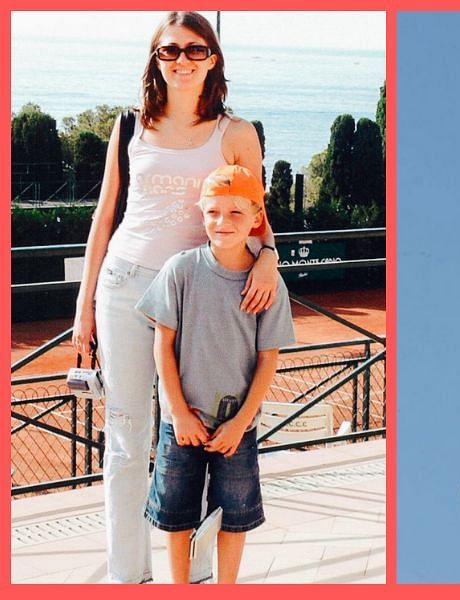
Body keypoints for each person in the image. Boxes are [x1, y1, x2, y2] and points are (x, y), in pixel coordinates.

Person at [69, 12, 280, 583]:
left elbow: (255, 218)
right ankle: (127, 576)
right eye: (169, 51)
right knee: (127, 438)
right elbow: (104, 217)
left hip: (201, 294)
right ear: (154, 59)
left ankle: (198, 578)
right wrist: (83, 306)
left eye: (194, 49)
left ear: (213, 59)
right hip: (125, 286)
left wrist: (269, 257)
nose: (182, 60)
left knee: (203, 438)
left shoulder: (235, 134)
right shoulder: (129, 127)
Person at [136, 165, 296, 583]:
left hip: (236, 429)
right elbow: (162, 345)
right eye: (213, 213)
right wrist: (178, 413)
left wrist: (241, 423)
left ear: (256, 217)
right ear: (201, 213)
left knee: (235, 517)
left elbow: (268, 359)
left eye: (235, 214)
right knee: (176, 516)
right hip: (181, 424)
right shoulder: (181, 270)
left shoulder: (268, 286)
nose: (222, 223)